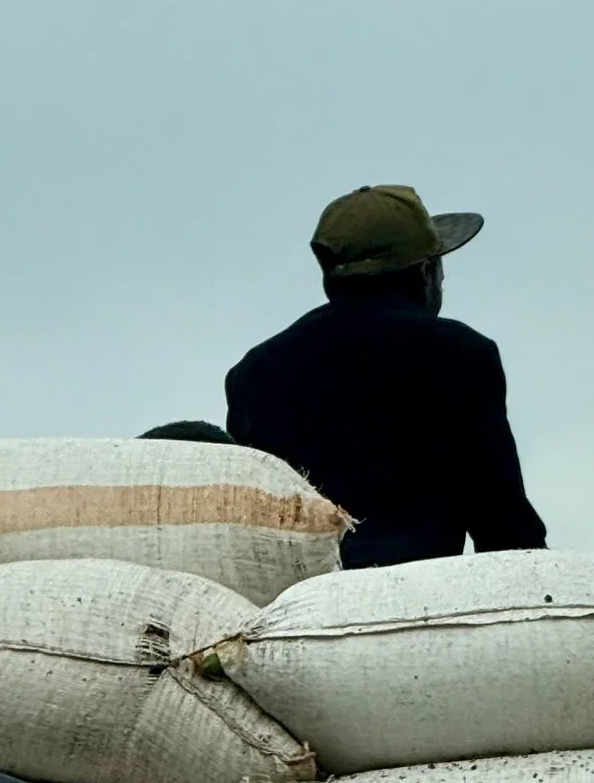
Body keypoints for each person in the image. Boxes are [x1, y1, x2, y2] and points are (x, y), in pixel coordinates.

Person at [224, 186, 547, 566]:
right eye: (438, 266)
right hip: (421, 603)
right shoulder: (460, 354)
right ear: (424, 274)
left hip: (299, 604)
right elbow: (502, 524)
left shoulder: (253, 374)